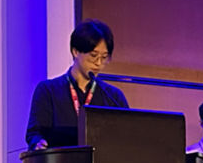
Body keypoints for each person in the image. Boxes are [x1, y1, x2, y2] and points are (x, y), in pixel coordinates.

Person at [25, 20, 128, 150]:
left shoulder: (113, 97)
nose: (98, 63)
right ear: (75, 51)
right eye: (93, 55)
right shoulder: (48, 91)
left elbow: (126, 137)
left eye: (104, 58)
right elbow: (35, 133)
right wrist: (38, 144)